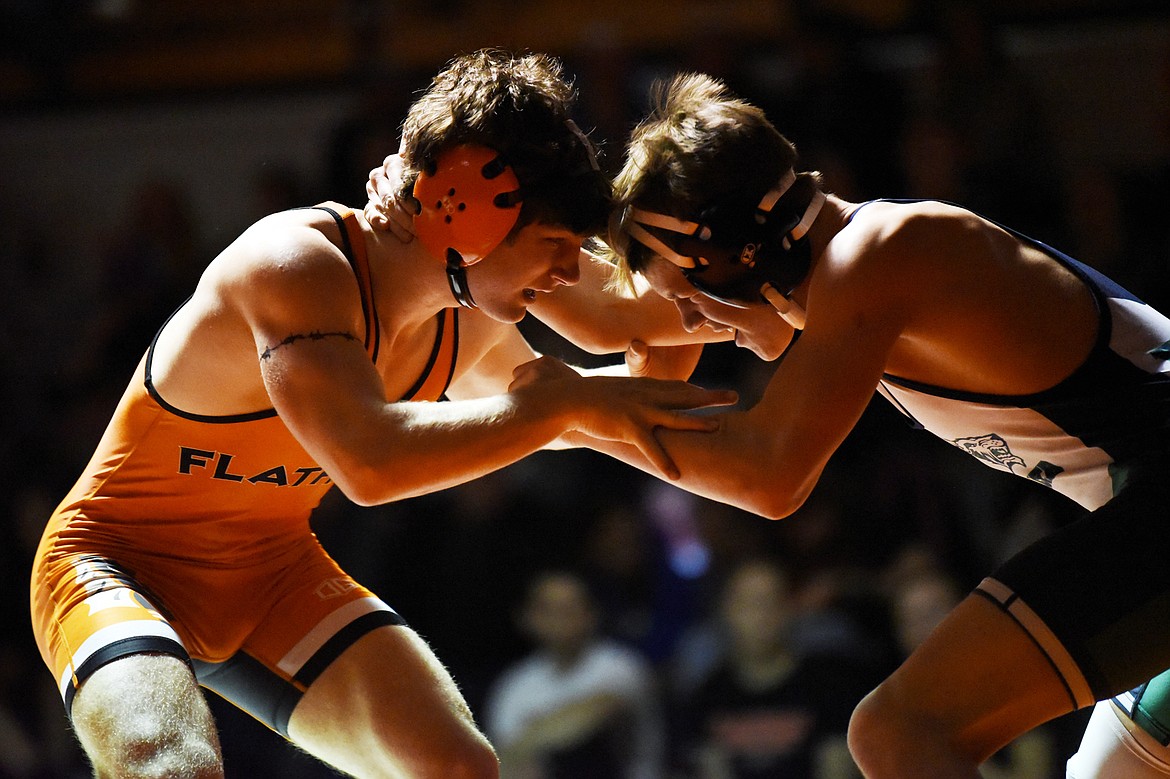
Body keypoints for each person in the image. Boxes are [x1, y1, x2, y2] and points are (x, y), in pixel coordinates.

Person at [29, 51, 737, 779]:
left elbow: (575, 395)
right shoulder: (294, 264)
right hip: (116, 560)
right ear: (464, 203)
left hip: (269, 571)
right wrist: (570, 402)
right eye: (555, 246)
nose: (564, 273)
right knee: (170, 764)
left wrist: (720, 313)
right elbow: (371, 462)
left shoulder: (461, 314)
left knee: (457, 765)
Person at [580, 72, 1170, 779]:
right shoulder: (852, 270)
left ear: (743, 254)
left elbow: (771, 477)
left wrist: (565, 413)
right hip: (1146, 505)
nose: (690, 327)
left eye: (690, 297)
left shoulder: (880, 254)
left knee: (899, 731)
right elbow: (623, 343)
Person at [672, 557, 869, 779]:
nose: (760, 617)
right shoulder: (706, 697)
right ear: (726, 611)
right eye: (748, 604)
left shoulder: (830, 686)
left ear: (790, 609)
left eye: (770, 602)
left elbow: (837, 768)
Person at [484, 569, 665, 779]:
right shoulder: (514, 685)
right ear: (528, 617)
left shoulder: (621, 664)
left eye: (570, 607)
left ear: (592, 614)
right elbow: (508, 763)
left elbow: (598, 713)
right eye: (549, 609)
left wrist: (531, 738)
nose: (560, 618)